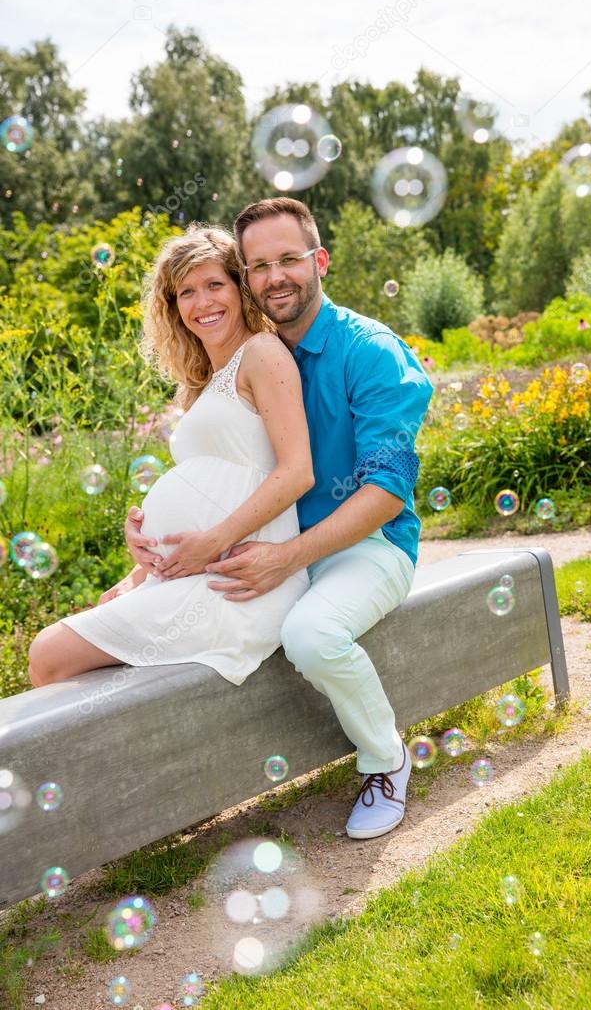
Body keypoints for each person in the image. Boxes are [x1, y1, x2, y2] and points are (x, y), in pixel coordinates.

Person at [126, 199, 434, 840]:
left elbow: (387, 492)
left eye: (289, 259)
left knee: (313, 636)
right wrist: (152, 537)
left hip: (363, 547)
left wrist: (285, 558)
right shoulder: (242, 357)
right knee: (145, 628)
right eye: (259, 265)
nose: (275, 277)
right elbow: (220, 471)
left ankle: (386, 761)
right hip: (263, 550)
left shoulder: (370, 352)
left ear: (318, 260)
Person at [28, 226, 312, 687]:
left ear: (240, 290)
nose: (203, 303)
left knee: (49, 654)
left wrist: (212, 540)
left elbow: (297, 473)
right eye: (186, 292)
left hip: (240, 581)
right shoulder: (203, 382)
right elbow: (207, 485)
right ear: (172, 305)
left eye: (215, 285)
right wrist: (142, 564)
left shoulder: (262, 353)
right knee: (68, 657)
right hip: (195, 571)